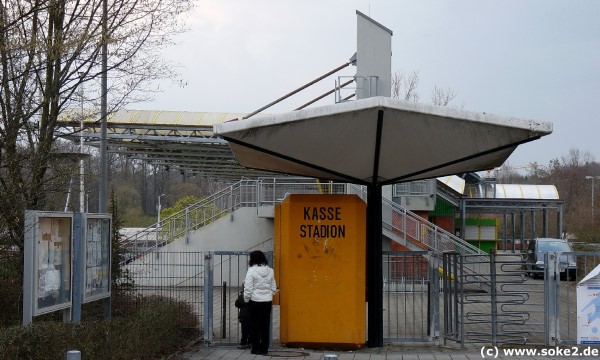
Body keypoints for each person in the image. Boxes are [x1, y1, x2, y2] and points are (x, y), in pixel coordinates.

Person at [243, 250, 277, 355]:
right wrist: (269, 294)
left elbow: (248, 288)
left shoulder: (251, 271)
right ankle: (264, 349)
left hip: (255, 301)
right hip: (267, 302)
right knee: (265, 326)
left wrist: (246, 300)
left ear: (252, 259)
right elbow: (273, 287)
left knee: (255, 326)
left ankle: (255, 349)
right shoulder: (270, 270)